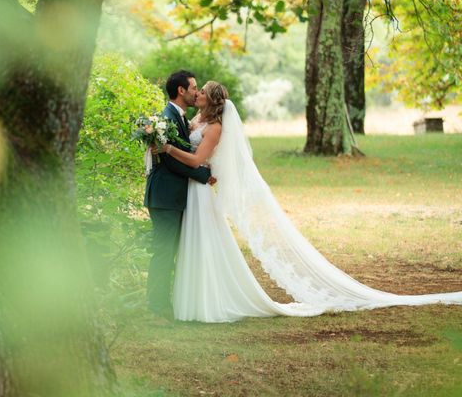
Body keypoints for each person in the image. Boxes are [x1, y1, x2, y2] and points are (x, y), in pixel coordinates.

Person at [158, 81, 462, 322]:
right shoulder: (195, 119)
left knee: (207, 243)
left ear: (210, 101)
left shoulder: (216, 127)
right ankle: (194, 299)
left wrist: (168, 150)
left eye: (201, 92)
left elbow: (198, 158)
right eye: (195, 90)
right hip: (193, 188)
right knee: (198, 244)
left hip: (198, 189)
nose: (196, 94)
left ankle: (211, 301)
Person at [143, 70, 214, 319]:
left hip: (173, 196)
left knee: (171, 249)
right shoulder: (168, 118)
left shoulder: (180, 117)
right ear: (181, 90)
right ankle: (157, 304)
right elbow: (170, 161)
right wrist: (203, 176)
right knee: (164, 250)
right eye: (193, 87)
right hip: (164, 196)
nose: (196, 92)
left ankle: (166, 300)